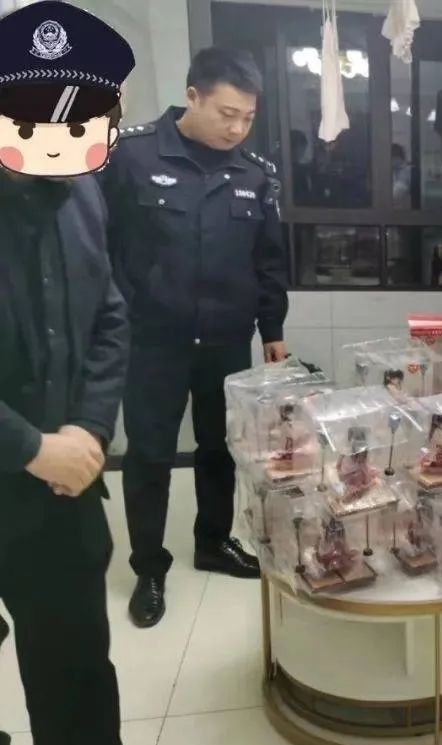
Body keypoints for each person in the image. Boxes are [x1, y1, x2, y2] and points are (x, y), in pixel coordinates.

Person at [101, 46, 290, 629]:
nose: (237, 129)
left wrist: (273, 329)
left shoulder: (255, 174)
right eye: (227, 114)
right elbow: (99, 247)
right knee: (150, 455)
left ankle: (212, 543)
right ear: (192, 96)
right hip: (152, 341)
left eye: (247, 118)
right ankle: (148, 567)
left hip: (227, 340)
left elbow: (269, 260)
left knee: (219, 449)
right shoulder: (129, 156)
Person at [0, 4, 136, 745]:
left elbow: (109, 315)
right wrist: (29, 445)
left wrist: (86, 430)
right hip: (22, 461)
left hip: (61, 493)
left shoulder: (82, 192)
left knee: (77, 669)